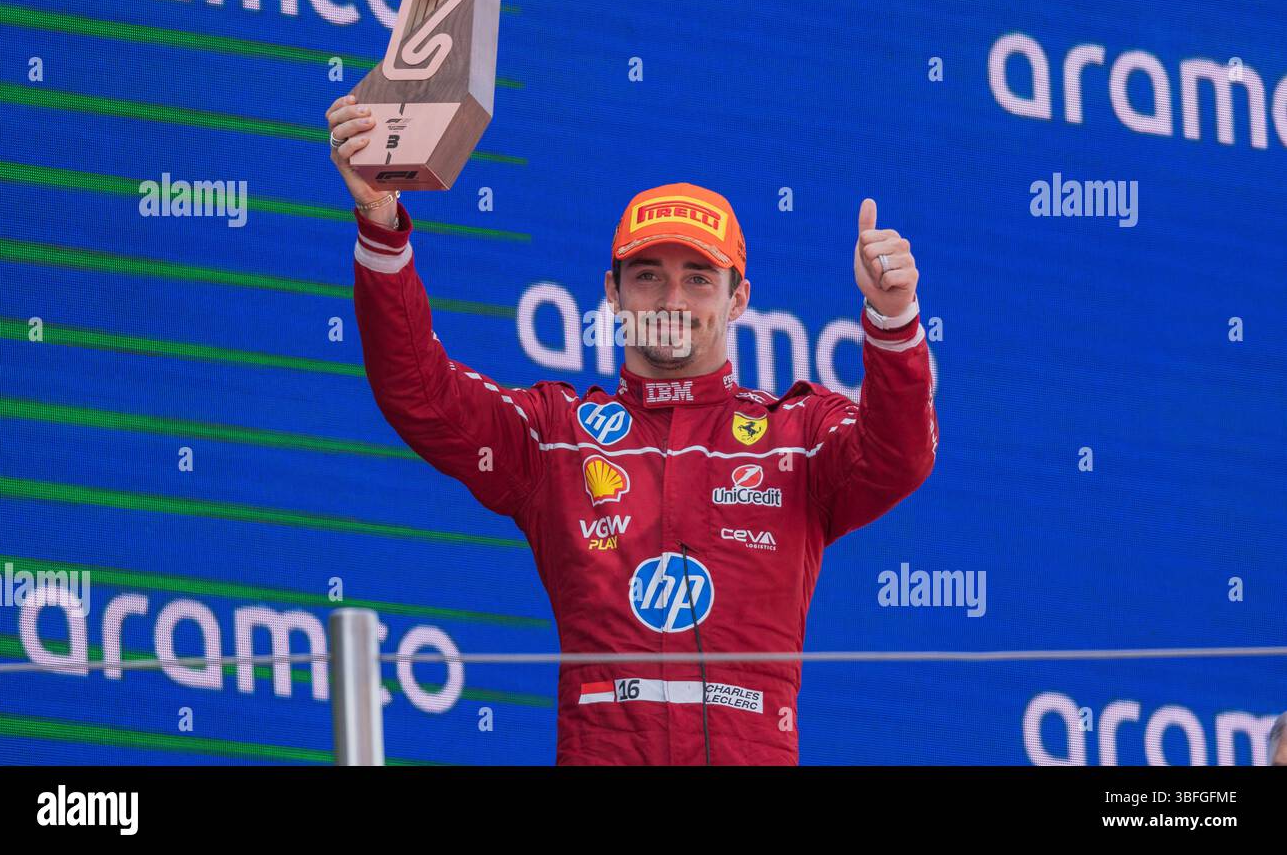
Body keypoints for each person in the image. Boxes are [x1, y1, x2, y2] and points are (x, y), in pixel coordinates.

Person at [327, 94, 938, 765]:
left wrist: (892, 318)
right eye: (648, 276)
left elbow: (898, 457)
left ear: (738, 299)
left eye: (698, 279)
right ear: (613, 292)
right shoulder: (556, 438)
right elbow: (420, 393)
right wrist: (379, 220)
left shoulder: (796, 435)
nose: (673, 300)